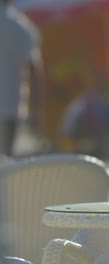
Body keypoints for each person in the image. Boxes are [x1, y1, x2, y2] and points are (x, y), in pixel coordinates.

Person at [0, 0, 42, 156]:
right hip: (10, 105)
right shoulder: (21, 27)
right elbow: (34, 70)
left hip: (9, 106)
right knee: (5, 161)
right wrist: (36, 110)